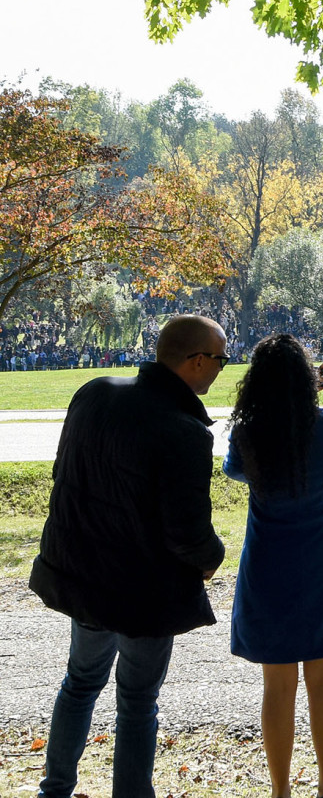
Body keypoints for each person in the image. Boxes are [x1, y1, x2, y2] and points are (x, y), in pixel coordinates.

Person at [29, 314, 228, 798]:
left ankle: (54, 789)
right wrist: (212, 557)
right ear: (197, 361)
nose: (223, 368)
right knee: (137, 701)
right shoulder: (184, 429)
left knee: (79, 682)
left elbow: (64, 473)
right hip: (144, 592)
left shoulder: (94, 392)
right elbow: (186, 531)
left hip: (84, 576)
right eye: (221, 359)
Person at [223, 334, 323, 798]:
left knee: (277, 685)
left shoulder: (246, 432)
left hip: (269, 567)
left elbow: (234, 470)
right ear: (308, 378)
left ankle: (281, 791)